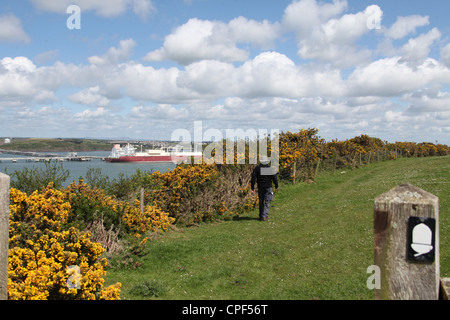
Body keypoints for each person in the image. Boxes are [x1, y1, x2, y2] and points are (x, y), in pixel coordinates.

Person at [251, 156, 278, 221]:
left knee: (261, 201)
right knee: (267, 201)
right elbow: (274, 178)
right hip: (268, 186)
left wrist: (252, 187)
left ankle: (261, 215)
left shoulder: (257, 168)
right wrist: (276, 185)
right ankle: (265, 216)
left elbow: (253, 178)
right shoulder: (270, 168)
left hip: (260, 187)